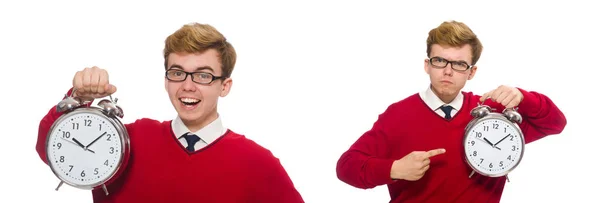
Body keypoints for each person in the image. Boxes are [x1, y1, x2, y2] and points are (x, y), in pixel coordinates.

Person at [36, 22, 305, 203]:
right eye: (177, 73)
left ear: (225, 86)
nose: (187, 86)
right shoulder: (126, 141)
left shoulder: (258, 163)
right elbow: (49, 150)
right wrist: (79, 99)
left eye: (203, 75)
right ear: (166, 80)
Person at [335, 20, 567, 203]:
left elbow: (555, 124)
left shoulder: (493, 115)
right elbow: (347, 166)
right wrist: (395, 169)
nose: (447, 71)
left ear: (471, 71)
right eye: (439, 61)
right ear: (427, 65)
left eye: (458, 64)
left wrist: (524, 98)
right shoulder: (398, 115)